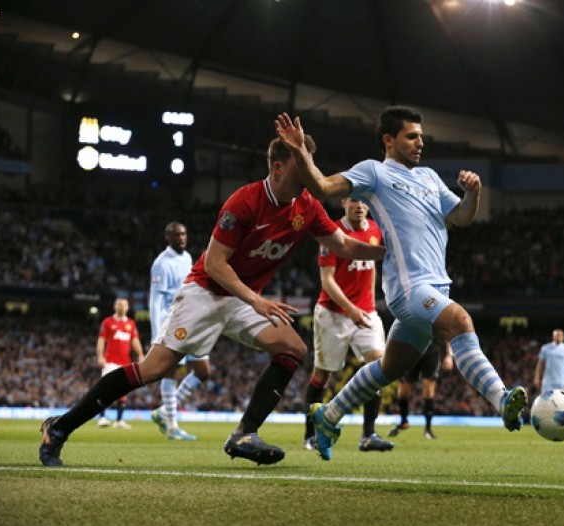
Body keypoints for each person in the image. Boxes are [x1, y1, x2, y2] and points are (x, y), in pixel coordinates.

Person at [39, 134, 386, 467]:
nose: (311, 175)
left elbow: (345, 245)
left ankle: (245, 435)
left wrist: (392, 252)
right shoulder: (245, 201)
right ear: (278, 168)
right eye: (303, 166)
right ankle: (59, 427)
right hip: (206, 292)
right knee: (155, 369)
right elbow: (214, 264)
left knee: (292, 349)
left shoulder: (307, 206)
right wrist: (256, 300)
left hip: (242, 299)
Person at [275, 107, 528, 461]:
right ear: (388, 140)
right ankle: (502, 400)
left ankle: (327, 415)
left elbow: (461, 217)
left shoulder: (429, 177)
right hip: (409, 289)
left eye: (422, 136)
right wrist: (300, 150)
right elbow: (322, 186)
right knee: (461, 322)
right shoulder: (374, 172)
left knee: (388, 369)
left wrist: (473, 193)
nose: (420, 142)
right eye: (412, 136)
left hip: (436, 287)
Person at [303, 197, 394, 453]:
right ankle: (310, 434)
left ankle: (368, 435)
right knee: (322, 374)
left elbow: (372, 268)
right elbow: (327, 281)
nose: (360, 206)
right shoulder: (331, 233)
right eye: (354, 200)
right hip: (333, 314)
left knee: (379, 366)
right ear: (344, 202)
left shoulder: (376, 230)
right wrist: (351, 308)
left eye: (364, 202)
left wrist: (369, 302)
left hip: (365, 312)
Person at [148, 221, 212, 441]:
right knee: (172, 371)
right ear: (168, 238)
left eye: (184, 234)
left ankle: (163, 412)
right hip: (172, 322)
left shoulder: (186, 258)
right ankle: (173, 426)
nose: (182, 238)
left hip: (192, 318)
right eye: (176, 235)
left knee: (203, 371)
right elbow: (155, 300)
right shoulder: (161, 263)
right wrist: (157, 332)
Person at [95, 297, 144, 429]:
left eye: (124, 304)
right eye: (119, 304)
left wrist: (140, 354)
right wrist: (100, 356)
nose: (121, 306)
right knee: (105, 389)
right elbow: (101, 340)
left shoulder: (131, 324)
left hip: (125, 363)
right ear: (115, 306)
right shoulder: (108, 322)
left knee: (123, 391)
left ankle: (119, 420)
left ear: (127, 307)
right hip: (110, 361)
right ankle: (102, 418)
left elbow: (135, 341)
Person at [388, 340, 453, 440]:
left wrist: (449, 355)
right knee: (403, 391)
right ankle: (403, 421)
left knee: (428, 390)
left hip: (432, 350)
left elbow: (446, 330)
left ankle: (428, 429)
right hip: (410, 349)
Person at [533, 329, 564, 394]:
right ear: (553, 336)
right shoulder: (545, 348)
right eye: (556, 335)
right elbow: (540, 364)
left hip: (561, 381)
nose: (558, 337)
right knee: (546, 400)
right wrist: (537, 377)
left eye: (560, 335)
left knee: (560, 401)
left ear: (563, 337)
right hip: (548, 381)